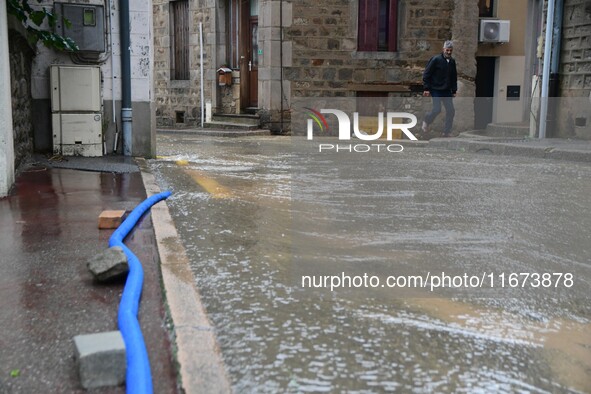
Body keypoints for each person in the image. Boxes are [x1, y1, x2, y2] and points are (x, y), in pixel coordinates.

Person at [422, 40, 458, 137]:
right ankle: (427, 120)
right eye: (447, 50)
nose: (449, 52)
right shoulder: (436, 59)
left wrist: (454, 90)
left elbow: (454, 77)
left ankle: (446, 132)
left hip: (447, 90)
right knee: (437, 109)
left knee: (451, 110)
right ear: (443, 49)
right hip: (436, 89)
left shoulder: (452, 61)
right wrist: (426, 88)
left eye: (450, 50)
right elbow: (426, 74)